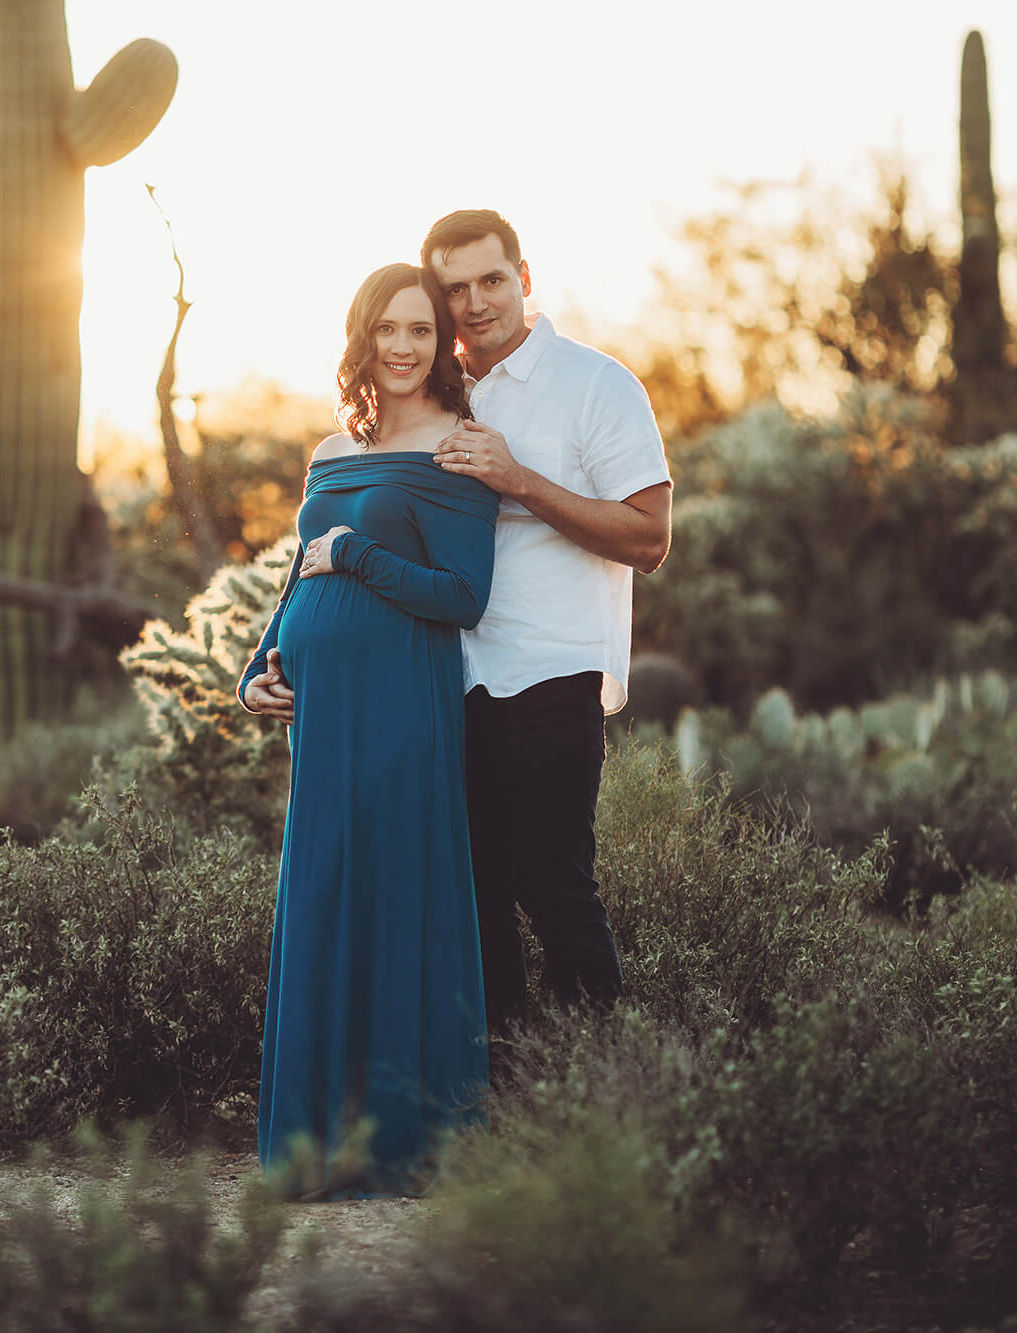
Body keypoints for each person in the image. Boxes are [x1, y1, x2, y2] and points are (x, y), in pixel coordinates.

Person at [237, 263, 498, 1197]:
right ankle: (313, 1143)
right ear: (362, 336)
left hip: (403, 705)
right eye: (386, 328)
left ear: (443, 344)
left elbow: (462, 596)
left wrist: (358, 552)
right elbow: (298, 575)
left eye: (421, 330)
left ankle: (399, 1143)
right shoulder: (327, 451)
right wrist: (258, 668)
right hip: (324, 719)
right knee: (323, 896)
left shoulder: (459, 450)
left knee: (394, 896)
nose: (401, 346)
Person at [422, 209, 672, 1032]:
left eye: (492, 280)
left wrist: (519, 480)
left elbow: (649, 538)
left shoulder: (596, 383)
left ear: (524, 279)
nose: (476, 302)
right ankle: (500, 1093)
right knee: (475, 891)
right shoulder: (430, 397)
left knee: (553, 882)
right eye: (453, 289)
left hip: (553, 674)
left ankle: (602, 1089)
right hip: (450, 676)